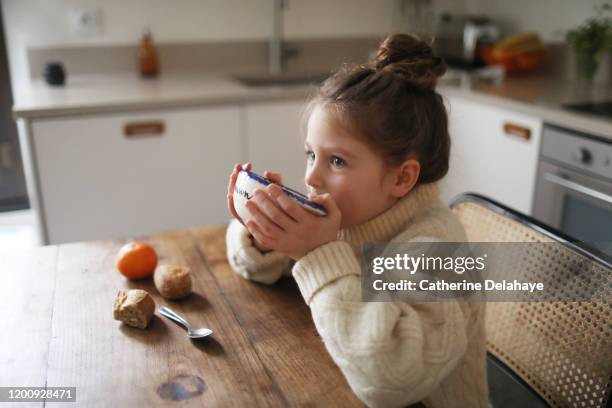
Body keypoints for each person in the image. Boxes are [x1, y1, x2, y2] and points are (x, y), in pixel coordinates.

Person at [225, 33, 488, 408]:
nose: (312, 178)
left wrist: (316, 254)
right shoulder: (354, 211)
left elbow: (387, 378)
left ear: (401, 178)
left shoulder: (439, 252)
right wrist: (265, 240)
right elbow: (259, 263)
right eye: (310, 154)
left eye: (337, 161)